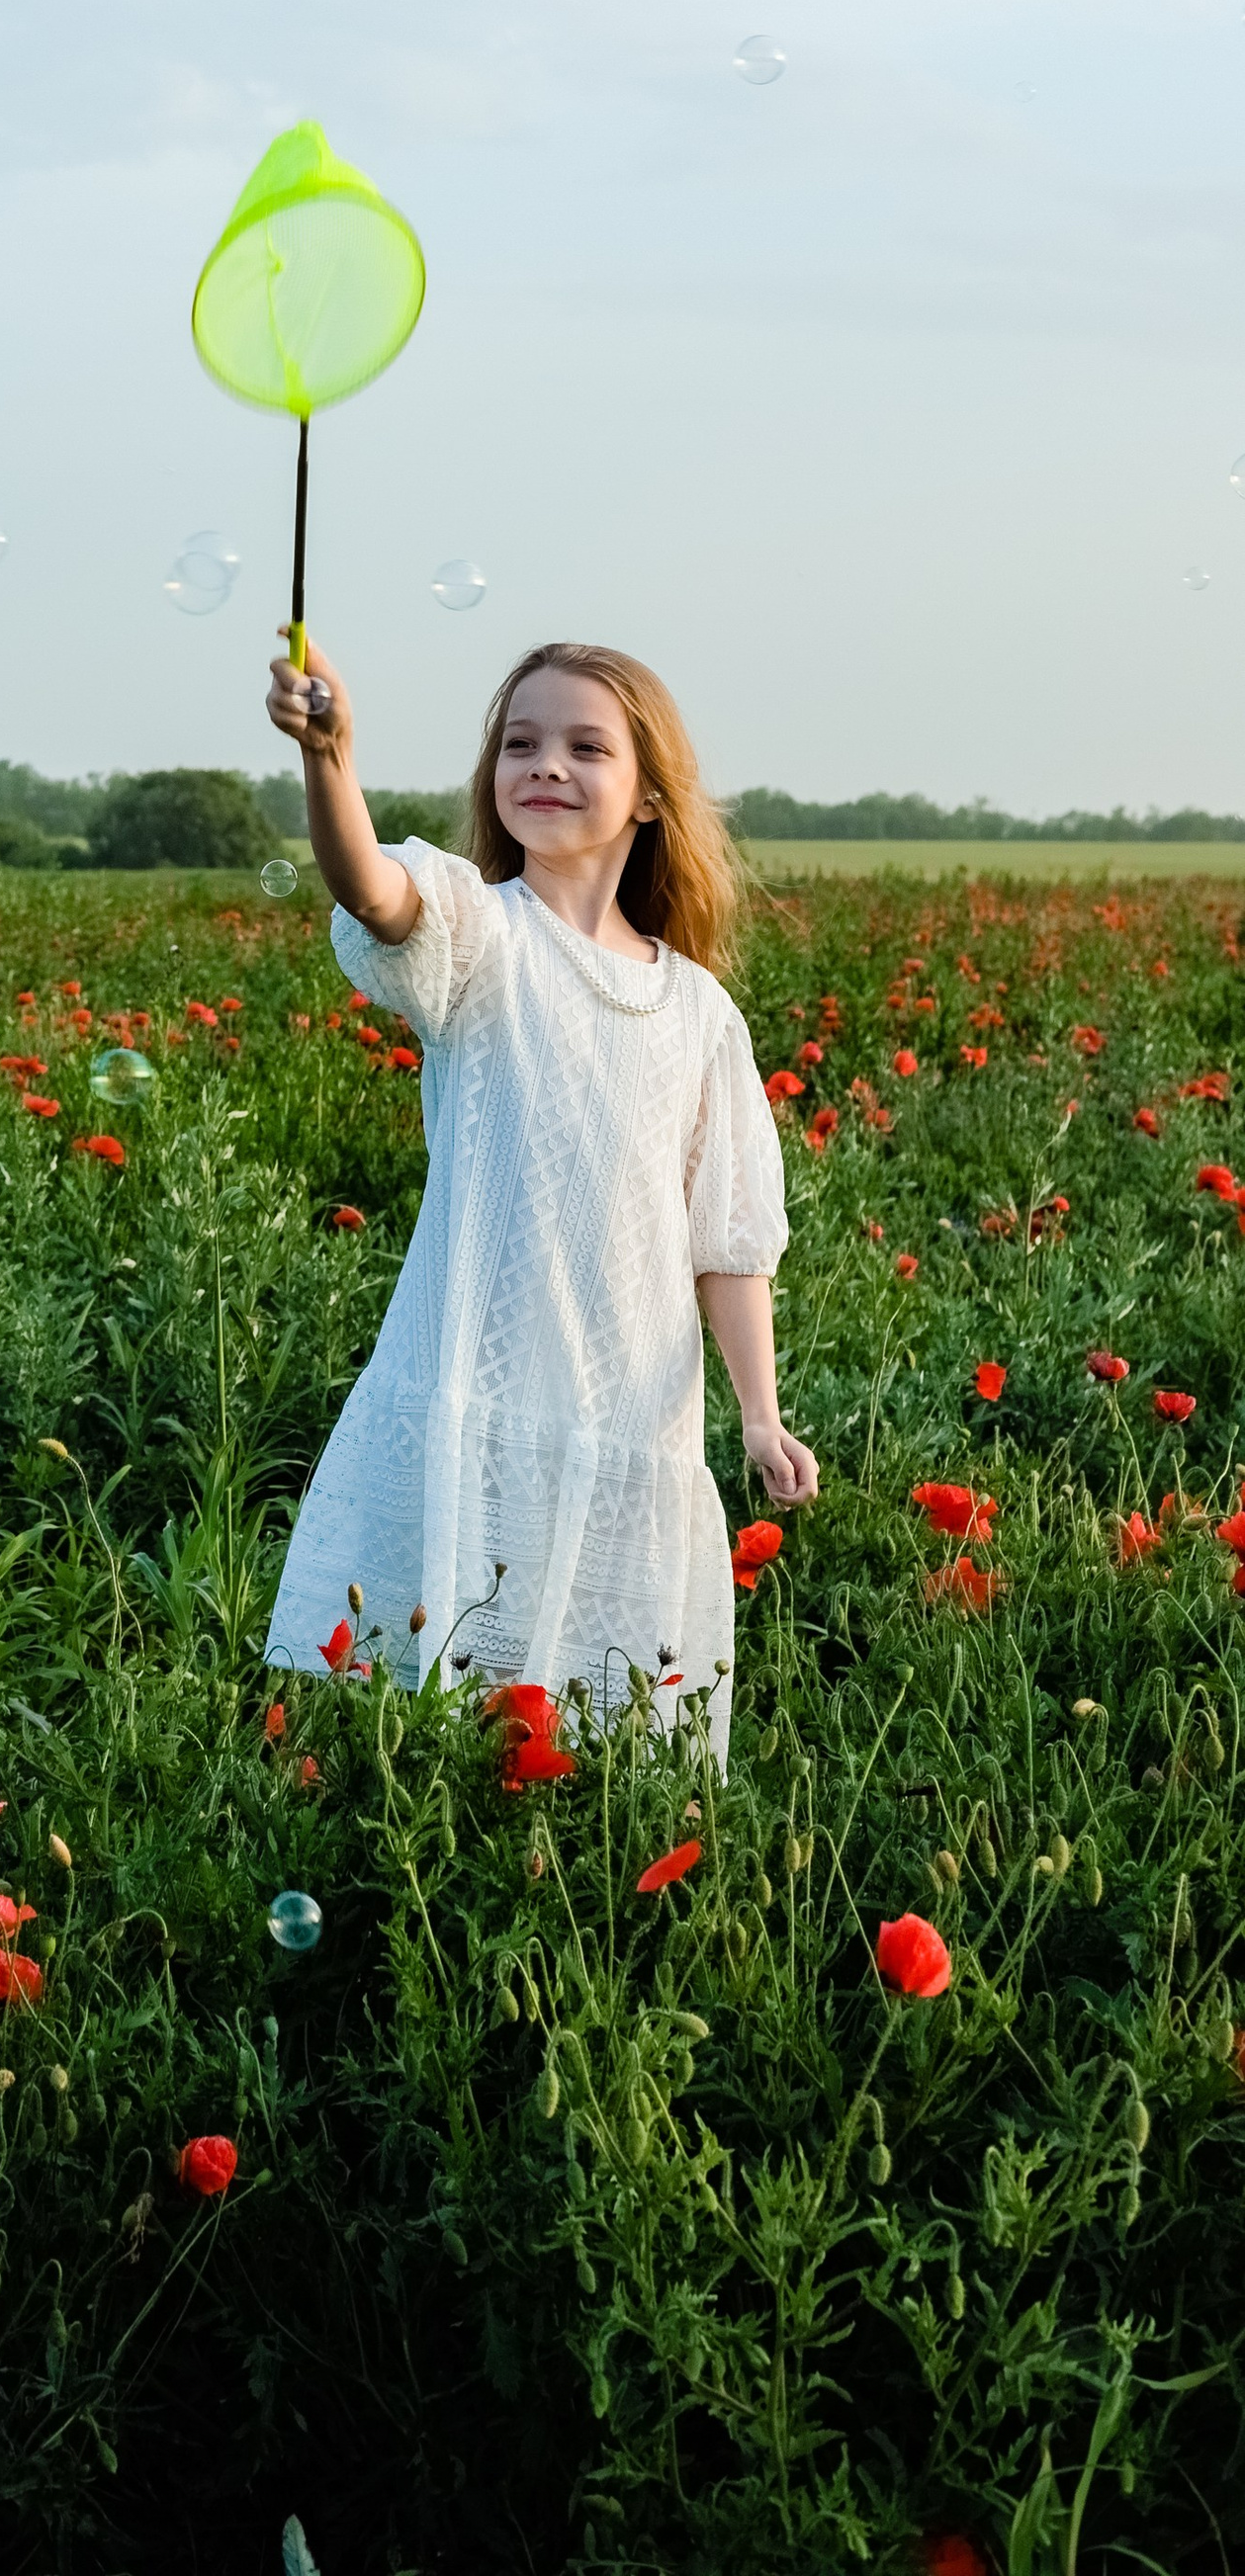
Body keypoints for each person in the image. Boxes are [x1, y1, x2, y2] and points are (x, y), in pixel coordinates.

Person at [262, 633, 817, 1760]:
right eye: (519, 744)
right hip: (480, 1375)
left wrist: (757, 1412)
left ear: (650, 794)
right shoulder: (479, 935)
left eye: (582, 745)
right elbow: (374, 891)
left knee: (603, 1740)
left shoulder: (698, 1012)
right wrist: (331, 760)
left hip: (627, 1409)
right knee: (435, 1711)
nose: (544, 765)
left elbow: (728, 1236)